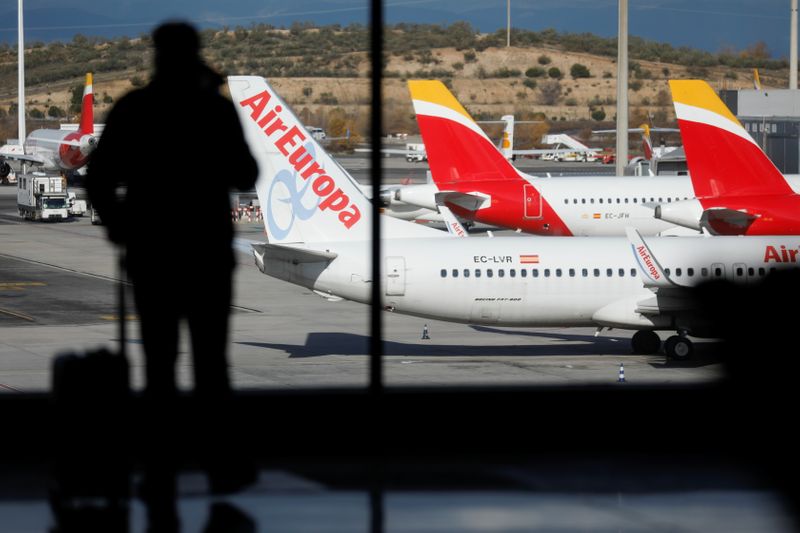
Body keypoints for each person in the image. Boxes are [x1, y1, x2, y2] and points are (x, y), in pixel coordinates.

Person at [86, 20, 259, 528]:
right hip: (205, 256)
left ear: (156, 56)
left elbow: (98, 178)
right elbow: (245, 175)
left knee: (159, 369)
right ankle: (221, 469)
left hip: (153, 255)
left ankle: (158, 470)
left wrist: (120, 227)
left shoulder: (135, 109)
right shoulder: (213, 109)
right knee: (212, 368)